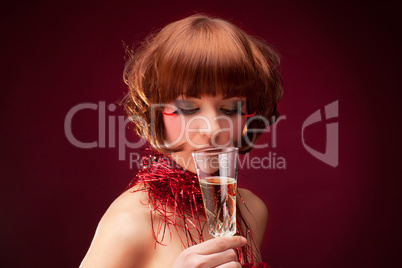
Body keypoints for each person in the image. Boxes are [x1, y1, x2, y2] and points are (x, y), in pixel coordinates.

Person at [80, 14, 282, 268]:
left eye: (230, 108)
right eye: (188, 108)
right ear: (156, 114)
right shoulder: (130, 221)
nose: (211, 129)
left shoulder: (252, 212)